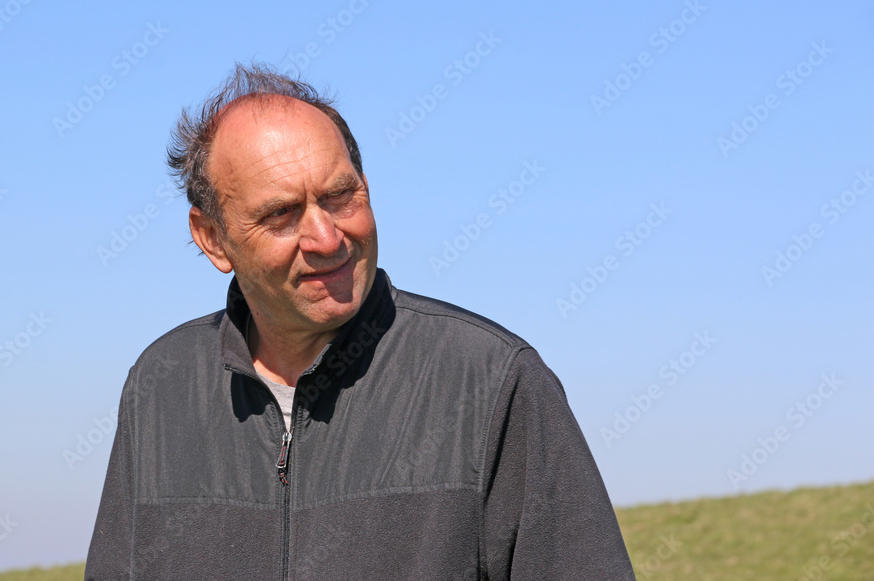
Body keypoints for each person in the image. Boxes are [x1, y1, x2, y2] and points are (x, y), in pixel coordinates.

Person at [85, 63, 635, 580]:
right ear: (212, 238)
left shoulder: (493, 382)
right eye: (281, 215)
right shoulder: (160, 387)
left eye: (341, 196)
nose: (327, 239)